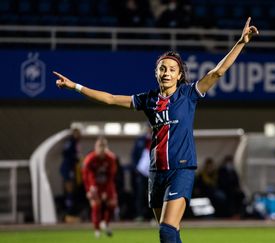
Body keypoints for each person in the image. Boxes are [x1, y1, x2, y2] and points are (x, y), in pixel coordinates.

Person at [54, 17, 258, 243]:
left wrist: (241, 42)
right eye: (163, 68)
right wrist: (76, 87)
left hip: (181, 169)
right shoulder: (148, 100)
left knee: (167, 230)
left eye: (172, 69)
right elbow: (111, 98)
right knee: (169, 234)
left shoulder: (188, 94)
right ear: (156, 73)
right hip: (156, 172)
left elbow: (217, 73)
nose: (167, 73)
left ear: (180, 75)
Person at [82, 137, 118, 238]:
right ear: (95, 147)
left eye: (104, 146)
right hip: (94, 185)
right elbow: (85, 176)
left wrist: (106, 191)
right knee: (96, 205)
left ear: (107, 148)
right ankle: (97, 229)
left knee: (112, 204)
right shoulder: (89, 159)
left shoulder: (111, 158)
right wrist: (88, 189)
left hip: (107, 184)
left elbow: (111, 176)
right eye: (99, 146)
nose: (102, 149)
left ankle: (105, 223)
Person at [59, 127, 82, 222]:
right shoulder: (70, 142)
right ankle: (68, 215)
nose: (80, 135)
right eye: (78, 133)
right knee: (69, 191)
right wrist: (75, 158)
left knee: (72, 192)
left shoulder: (76, 143)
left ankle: (70, 214)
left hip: (71, 168)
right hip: (67, 169)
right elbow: (65, 153)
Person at [131, 126, 152, 221]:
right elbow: (134, 155)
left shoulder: (159, 137)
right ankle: (139, 215)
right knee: (140, 194)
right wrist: (135, 167)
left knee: (153, 195)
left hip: (154, 172)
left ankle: (153, 216)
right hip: (142, 171)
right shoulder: (141, 140)